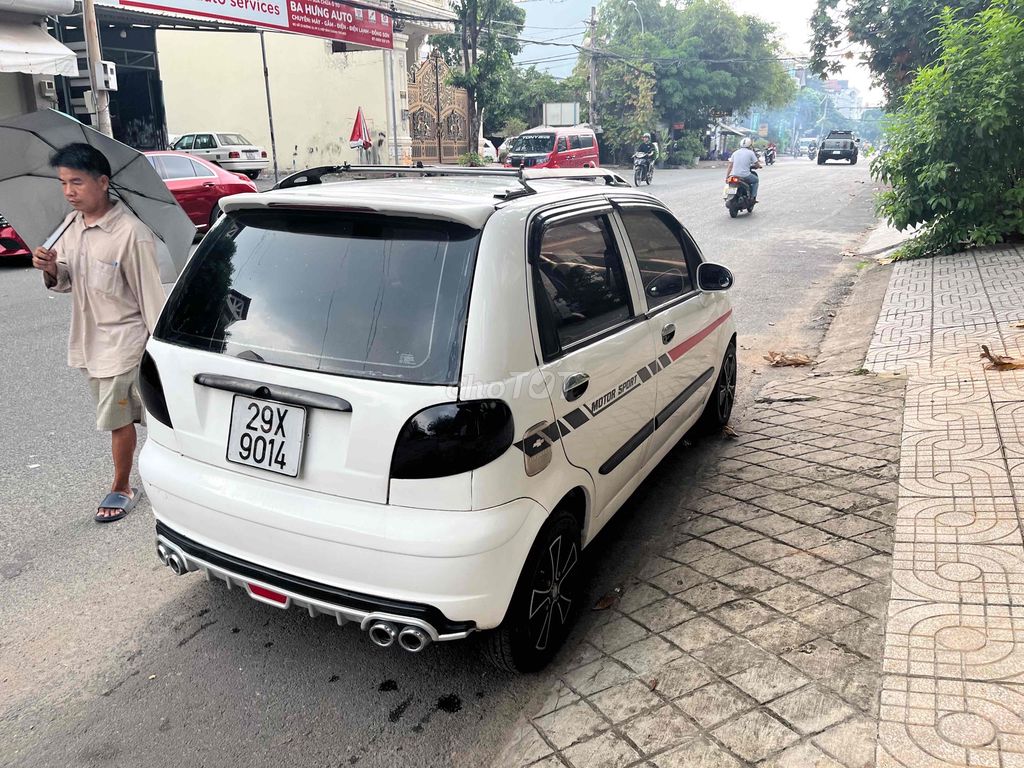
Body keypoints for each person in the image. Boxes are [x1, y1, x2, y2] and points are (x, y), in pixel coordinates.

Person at [32, 143, 166, 524]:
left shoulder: (131, 234)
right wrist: (49, 268)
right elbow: (67, 282)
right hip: (90, 342)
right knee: (139, 418)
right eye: (63, 183)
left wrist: (159, 356)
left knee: (117, 420)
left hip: (123, 344)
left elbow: (151, 298)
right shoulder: (71, 226)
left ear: (103, 182)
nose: (69, 191)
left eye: (77, 182)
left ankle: (122, 486)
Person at [726, 137, 761, 203]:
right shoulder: (750, 153)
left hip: (734, 175)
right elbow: (756, 164)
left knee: (730, 184)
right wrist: (759, 166)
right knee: (756, 180)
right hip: (745, 175)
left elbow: (730, 166)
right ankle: (753, 197)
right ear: (750, 145)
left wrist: (727, 176)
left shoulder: (735, 153)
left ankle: (728, 196)